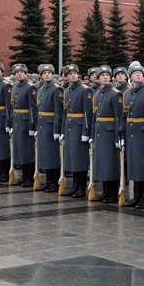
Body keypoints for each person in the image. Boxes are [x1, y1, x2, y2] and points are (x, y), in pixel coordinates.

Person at [120, 62, 144, 209]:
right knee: (134, 167)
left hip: (143, 135)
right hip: (131, 134)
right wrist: (122, 135)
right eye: (135, 73)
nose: (138, 75)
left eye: (140, 73)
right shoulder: (127, 93)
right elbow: (124, 114)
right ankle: (136, 196)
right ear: (130, 77)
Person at [90, 65, 123, 203]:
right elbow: (94, 116)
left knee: (110, 163)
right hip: (99, 132)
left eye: (107, 75)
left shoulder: (115, 93)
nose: (105, 77)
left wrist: (117, 136)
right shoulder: (97, 94)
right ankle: (105, 191)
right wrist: (92, 134)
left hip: (110, 133)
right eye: (102, 75)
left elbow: (119, 117)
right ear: (97, 78)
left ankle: (113, 193)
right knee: (102, 163)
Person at [61, 64, 93, 198]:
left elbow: (88, 113)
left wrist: (86, 131)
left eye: (75, 73)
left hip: (79, 128)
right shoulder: (67, 91)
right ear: (66, 76)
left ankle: (81, 187)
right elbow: (65, 111)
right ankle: (74, 186)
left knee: (80, 158)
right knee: (72, 158)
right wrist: (63, 130)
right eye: (70, 74)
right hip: (70, 127)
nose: (73, 75)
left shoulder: (85, 90)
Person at [35, 64, 63, 192]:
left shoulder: (56, 89)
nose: (47, 74)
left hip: (51, 125)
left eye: (49, 72)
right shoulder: (41, 89)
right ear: (41, 75)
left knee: (52, 155)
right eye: (44, 73)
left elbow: (59, 110)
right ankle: (48, 181)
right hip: (42, 125)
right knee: (45, 154)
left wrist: (57, 129)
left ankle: (54, 182)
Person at [10, 63, 38, 187]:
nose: (19, 73)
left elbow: (33, 108)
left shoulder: (30, 87)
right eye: (17, 72)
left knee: (27, 151)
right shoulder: (15, 86)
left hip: (26, 122)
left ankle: (29, 177)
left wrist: (32, 125)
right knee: (20, 150)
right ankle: (23, 177)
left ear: (25, 73)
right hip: (17, 121)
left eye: (21, 72)